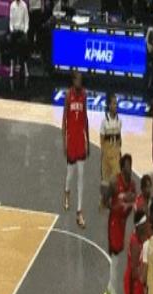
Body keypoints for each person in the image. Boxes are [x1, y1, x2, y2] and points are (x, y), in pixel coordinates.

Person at [103, 154, 136, 294]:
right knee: (115, 261)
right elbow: (105, 200)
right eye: (127, 166)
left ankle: (109, 289)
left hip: (122, 223)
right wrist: (114, 206)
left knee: (117, 258)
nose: (130, 169)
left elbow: (133, 203)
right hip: (114, 223)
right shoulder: (115, 182)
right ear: (122, 168)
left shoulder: (133, 185)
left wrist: (126, 206)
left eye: (131, 165)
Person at [62, 71, 89, 228]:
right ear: (73, 81)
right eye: (78, 80)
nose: (80, 82)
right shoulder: (68, 95)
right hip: (71, 140)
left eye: (81, 80)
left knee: (81, 176)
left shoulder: (84, 95)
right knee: (70, 174)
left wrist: (87, 140)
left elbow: (85, 117)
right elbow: (64, 119)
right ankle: (66, 191)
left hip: (80, 140)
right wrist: (64, 142)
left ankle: (79, 212)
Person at [99, 93, 122, 209]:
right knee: (105, 180)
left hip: (116, 153)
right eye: (113, 103)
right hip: (106, 153)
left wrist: (119, 151)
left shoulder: (119, 121)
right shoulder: (104, 121)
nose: (115, 106)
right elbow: (102, 139)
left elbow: (119, 138)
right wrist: (103, 153)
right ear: (109, 105)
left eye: (116, 104)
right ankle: (104, 200)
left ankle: (114, 200)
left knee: (116, 179)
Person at [9, 0, 29, 78]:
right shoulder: (12, 5)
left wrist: (25, 31)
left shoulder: (24, 5)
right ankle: (11, 69)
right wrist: (11, 30)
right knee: (12, 49)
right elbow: (11, 20)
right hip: (14, 31)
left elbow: (26, 20)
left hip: (22, 32)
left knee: (24, 49)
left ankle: (25, 69)